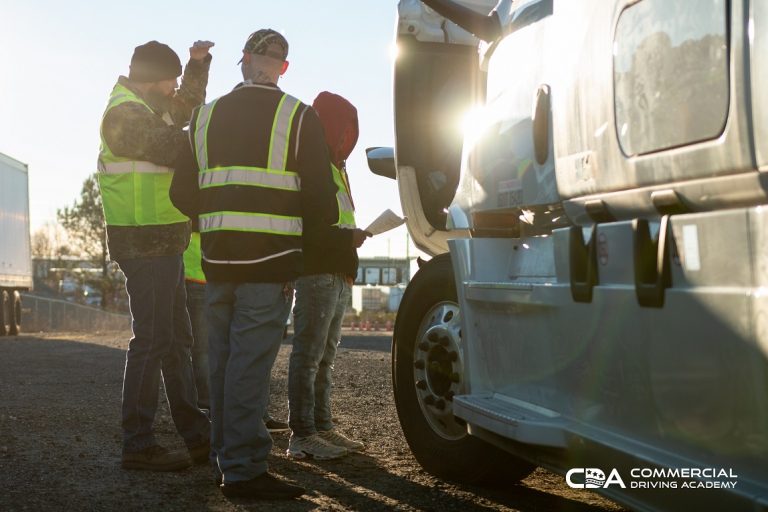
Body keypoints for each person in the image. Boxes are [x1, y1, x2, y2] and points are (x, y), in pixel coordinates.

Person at [170, 29, 340, 500]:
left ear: (243, 61)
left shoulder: (202, 119)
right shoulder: (299, 117)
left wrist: (219, 221)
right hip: (271, 263)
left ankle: (227, 457)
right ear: (282, 68)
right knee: (248, 365)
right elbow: (322, 204)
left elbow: (180, 193)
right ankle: (243, 470)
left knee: (223, 363)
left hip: (217, 261)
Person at [97, 40, 214, 471]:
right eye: (171, 81)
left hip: (165, 244)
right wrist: (223, 132)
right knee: (152, 342)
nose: (175, 90)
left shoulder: (150, 105)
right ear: (151, 79)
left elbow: (185, 105)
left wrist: (196, 66)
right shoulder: (123, 116)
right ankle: (138, 443)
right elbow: (177, 145)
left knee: (175, 341)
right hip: (143, 246)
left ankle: (197, 435)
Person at [287, 92, 369, 460]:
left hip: (337, 274)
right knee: (308, 355)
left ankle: (322, 427)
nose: (347, 137)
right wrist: (346, 240)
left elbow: (339, 222)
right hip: (316, 272)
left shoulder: (337, 168)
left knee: (325, 357)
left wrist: (349, 262)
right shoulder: (312, 166)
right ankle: (302, 435)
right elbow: (307, 227)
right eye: (343, 128)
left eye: (352, 131)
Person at [184, 224, 290, 432]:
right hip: (199, 272)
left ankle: (257, 415)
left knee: (249, 348)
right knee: (206, 352)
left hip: (235, 268)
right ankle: (213, 415)